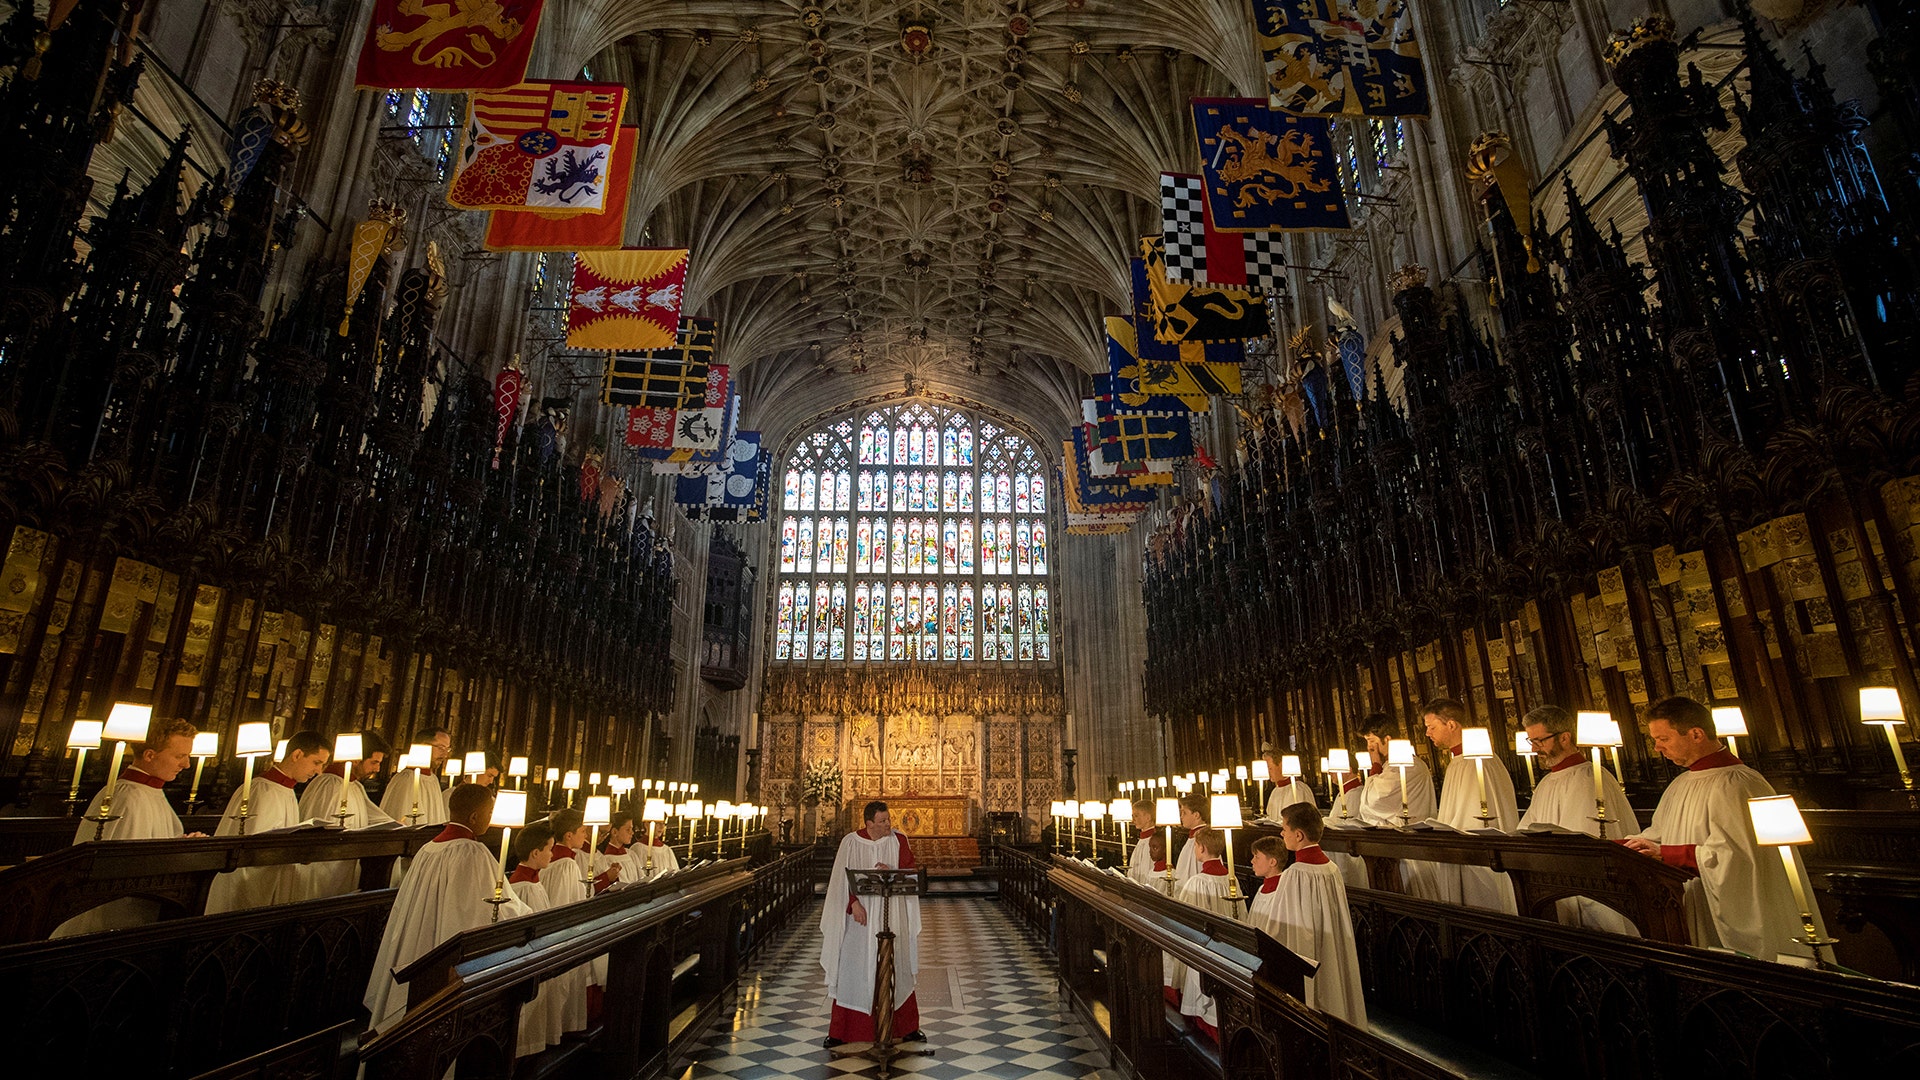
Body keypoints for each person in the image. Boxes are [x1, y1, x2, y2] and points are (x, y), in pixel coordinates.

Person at [1624, 696, 1811, 961]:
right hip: (1694, 898)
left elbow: (1738, 858)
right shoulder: (1680, 784)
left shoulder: (1738, 784)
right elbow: (1659, 835)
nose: (1657, 748)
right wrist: (1629, 846)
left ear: (1696, 734)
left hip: (1737, 905)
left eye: (1663, 739)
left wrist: (1668, 853)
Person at [363, 784, 531, 1033]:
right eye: (490, 810)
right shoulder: (473, 852)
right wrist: (527, 915)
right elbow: (479, 909)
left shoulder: (428, 848)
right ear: (474, 816)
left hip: (417, 943)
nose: (491, 817)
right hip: (444, 952)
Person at [52, 717, 201, 938]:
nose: (186, 765)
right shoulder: (127, 796)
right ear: (150, 755)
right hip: (111, 918)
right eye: (179, 756)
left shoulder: (151, 791)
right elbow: (126, 863)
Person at [1515, 706, 1641, 934]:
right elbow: (1526, 830)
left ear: (1564, 737)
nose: (1534, 749)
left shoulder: (1590, 778)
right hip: (1556, 888)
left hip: (1594, 891)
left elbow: (1586, 841)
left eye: (1539, 741)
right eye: (1530, 741)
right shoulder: (1545, 784)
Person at [1242, 807, 1367, 1029]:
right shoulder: (1332, 868)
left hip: (1307, 955)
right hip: (1332, 948)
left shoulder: (1295, 874)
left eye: (1284, 829)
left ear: (1298, 835)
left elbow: (1278, 929)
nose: (1282, 834)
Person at [821, 800, 923, 1047]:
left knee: (896, 963)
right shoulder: (850, 842)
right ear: (868, 823)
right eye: (882, 821)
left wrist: (893, 870)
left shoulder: (899, 840)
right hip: (860, 919)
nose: (888, 824)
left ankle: (906, 1028)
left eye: (888, 819)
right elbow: (839, 880)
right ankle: (840, 1031)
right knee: (853, 968)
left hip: (892, 912)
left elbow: (911, 872)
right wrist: (853, 903)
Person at [1400, 699, 1518, 913]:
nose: (1427, 734)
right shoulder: (1458, 761)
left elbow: (1472, 818)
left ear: (1452, 725)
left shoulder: (1476, 762)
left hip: (1478, 862)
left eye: (1432, 727)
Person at [204, 729, 329, 913]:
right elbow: (253, 847)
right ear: (297, 755)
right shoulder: (261, 790)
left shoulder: (286, 790)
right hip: (246, 884)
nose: (319, 772)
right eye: (316, 763)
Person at [299, 730, 397, 899]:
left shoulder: (354, 786)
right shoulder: (330, 784)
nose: (377, 769)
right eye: (374, 762)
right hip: (324, 870)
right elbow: (322, 829)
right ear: (357, 759)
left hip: (345, 866)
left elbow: (376, 818)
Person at [506, 820, 574, 1056]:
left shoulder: (535, 881)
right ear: (535, 853)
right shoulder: (521, 887)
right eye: (549, 849)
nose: (553, 854)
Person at [1174, 827, 1239, 1043]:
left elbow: (1185, 920)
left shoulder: (1197, 882)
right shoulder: (1232, 880)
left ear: (1201, 848)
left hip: (1205, 950)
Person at [1355, 714, 1434, 827]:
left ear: (1387, 739)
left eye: (1371, 741)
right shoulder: (1389, 765)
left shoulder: (1407, 765)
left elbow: (1374, 800)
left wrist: (1376, 765)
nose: (1369, 747)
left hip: (1409, 834)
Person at [381, 727, 452, 826]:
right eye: (441, 748)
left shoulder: (433, 779)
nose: (445, 755)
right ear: (423, 745)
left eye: (447, 749)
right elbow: (402, 817)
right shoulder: (406, 779)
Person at [1262, 746, 1315, 819]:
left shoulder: (1299, 789)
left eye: (1270, 768)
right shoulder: (1275, 791)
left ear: (1281, 765)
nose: (1267, 772)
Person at [1172, 792, 1208, 885]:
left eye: (1184, 813)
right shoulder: (1192, 837)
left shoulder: (1205, 839)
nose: (1181, 816)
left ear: (1196, 815)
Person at [1125, 802, 1160, 890]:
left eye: (1136, 816)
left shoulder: (1154, 842)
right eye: (1133, 816)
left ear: (1148, 817)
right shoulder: (1142, 840)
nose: (1133, 820)